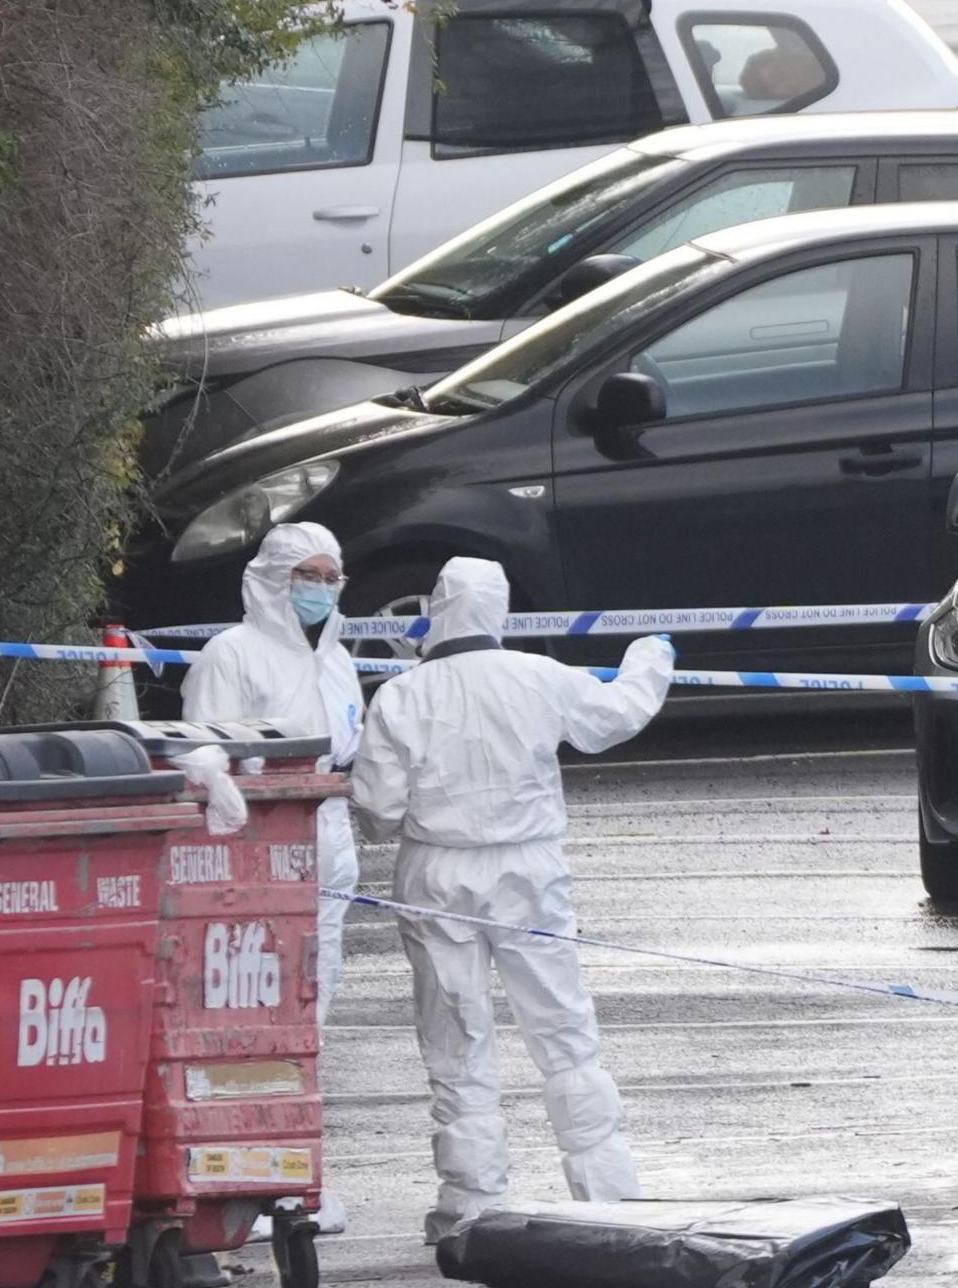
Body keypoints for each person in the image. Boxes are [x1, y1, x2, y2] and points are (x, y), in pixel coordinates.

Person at [350, 557, 675, 1243]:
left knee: (456, 1037)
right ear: (499, 612)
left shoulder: (402, 695)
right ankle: (609, 1198)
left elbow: (378, 808)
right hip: (529, 870)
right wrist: (650, 658)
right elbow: (615, 715)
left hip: (436, 873)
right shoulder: (538, 675)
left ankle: (469, 1211)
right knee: (563, 1030)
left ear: (435, 611)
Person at [180, 522, 363, 1026]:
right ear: (277, 576)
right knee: (260, 968)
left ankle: (308, 1059)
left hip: (330, 831)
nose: (321, 588)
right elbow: (202, 745)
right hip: (262, 833)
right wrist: (221, 795)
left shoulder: (336, 660)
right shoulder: (232, 653)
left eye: (331, 578)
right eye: (309, 575)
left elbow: (349, 744)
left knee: (320, 967)